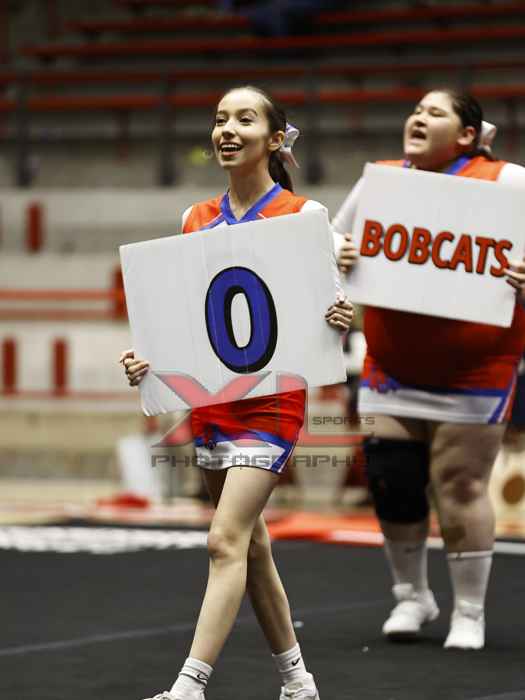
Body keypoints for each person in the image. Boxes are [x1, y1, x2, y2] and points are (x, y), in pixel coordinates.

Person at [121, 85, 353, 700]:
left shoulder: (304, 216)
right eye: (220, 119)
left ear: (275, 139)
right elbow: (184, 318)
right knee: (251, 547)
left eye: (244, 120)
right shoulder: (193, 218)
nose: (227, 129)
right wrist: (146, 359)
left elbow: (329, 309)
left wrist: (339, 317)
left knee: (224, 539)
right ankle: (298, 682)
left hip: (272, 404)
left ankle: (189, 686)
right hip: (211, 402)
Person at [333, 88, 525, 650]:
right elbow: (334, 234)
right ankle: (411, 596)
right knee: (390, 479)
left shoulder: (508, 182)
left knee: (460, 484)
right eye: (416, 109)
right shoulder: (383, 179)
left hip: (475, 370)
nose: (418, 117)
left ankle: (469, 610)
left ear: (467, 135)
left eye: (434, 112)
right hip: (390, 365)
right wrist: (340, 249)